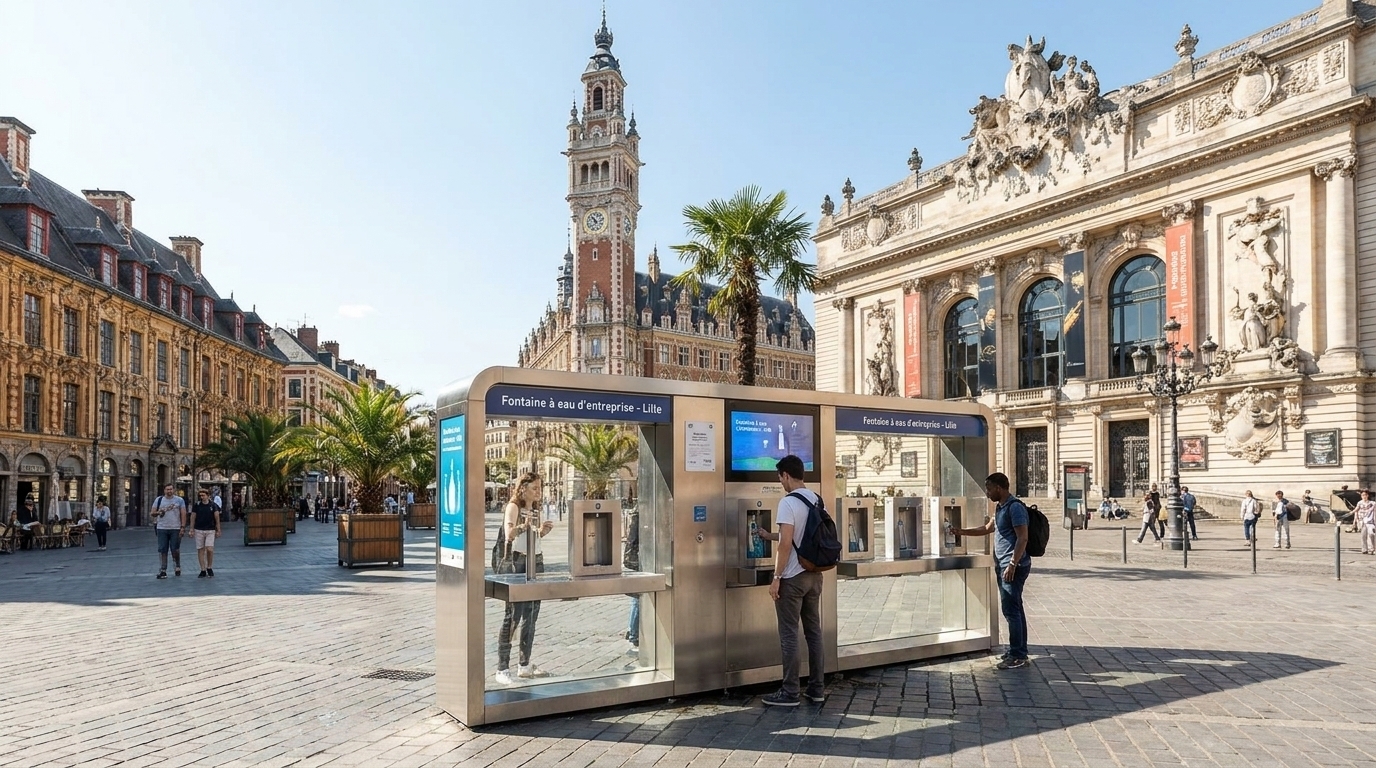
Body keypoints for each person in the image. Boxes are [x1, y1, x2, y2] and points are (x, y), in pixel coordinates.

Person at [754, 455, 827, 705]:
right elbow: (797, 536)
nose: (780, 482)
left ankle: (790, 692)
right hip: (814, 576)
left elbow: (787, 543)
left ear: (785, 475)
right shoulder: (816, 499)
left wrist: (776, 577)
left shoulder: (788, 502)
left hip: (793, 578)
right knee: (814, 633)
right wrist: (768, 534)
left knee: (789, 635)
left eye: (780, 477)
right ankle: (817, 689)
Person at [955, 472, 1032, 670]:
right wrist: (961, 532)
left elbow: (1023, 538)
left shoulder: (1014, 508)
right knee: (1016, 608)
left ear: (999, 487)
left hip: (1013, 566)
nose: (987, 493)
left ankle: (1017, 655)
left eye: (989, 489)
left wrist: (1012, 564)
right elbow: (987, 528)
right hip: (1005, 565)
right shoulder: (1000, 508)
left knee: (1011, 611)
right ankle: (1019, 650)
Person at [494, 471, 554, 685]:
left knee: (532, 614)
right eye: (535, 488)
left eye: (540, 488)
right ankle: (502, 667)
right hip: (518, 563)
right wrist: (520, 527)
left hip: (535, 561)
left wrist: (542, 532)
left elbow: (532, 536)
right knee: (513, 616)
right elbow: (509, 534)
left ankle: (524, 664)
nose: (539, 492)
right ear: (523, 488)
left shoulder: (535, 509)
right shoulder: (514, 507)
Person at [151, 485, 188, 578]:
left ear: (174, 490)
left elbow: (183, 513)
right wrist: (159, 512)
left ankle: (177, 566)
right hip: (162, 528)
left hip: (175, 528)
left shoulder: (179, 500)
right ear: (164, 490)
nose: (169, 491)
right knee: (163, 549)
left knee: (175, 549)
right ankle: (163, 569)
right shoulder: (159, 500)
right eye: (167, 489)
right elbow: (152, 513)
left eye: (171, 489)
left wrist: (183, 527)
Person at [190, 489, 221, 578]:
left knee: (209, 548)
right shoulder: (197, 505)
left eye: (203, 495)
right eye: (200, 496)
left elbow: (217, 517)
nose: (202, 497)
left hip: (210, 529)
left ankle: (209, 566)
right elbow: (193, 516)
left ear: (208, 495)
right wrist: (191, 529)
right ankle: (203, 569)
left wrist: (218, 529)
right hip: (199, 529)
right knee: (200, 549)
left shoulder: (213, 505)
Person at [623, 505, 641, 654]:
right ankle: (634, 634)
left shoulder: (638, 508)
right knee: (638, 597)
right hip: (640, 557)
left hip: (639, 555)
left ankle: (632, 631)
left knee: (637, 597)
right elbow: (633, 538)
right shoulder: (641, 508)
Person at [1353, 490, 1376, 555]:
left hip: (1370, 521)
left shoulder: (1372, 503)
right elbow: (1356, 510)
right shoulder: (1359, 503)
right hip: (1362, 521)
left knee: (1371, 534)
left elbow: (1375, 512)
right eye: (1362, 495)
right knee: (1363, 535)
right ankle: (1364, 549)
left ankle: (1371, 549)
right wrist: (1355, 521)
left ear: (1367, 495)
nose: (1364, 496)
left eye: (1365, 495)